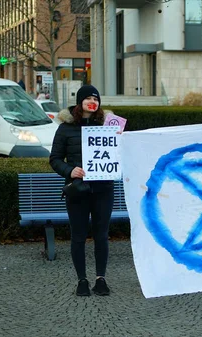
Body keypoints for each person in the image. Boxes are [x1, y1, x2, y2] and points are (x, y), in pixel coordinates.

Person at [49, 85, 115, 296]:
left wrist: (120, 138)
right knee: (78, 236)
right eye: (87, 98)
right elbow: (55, 159)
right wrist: (70, 170)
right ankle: (82, 280)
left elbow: (120, 153)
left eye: (95, 98)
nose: (92, 102)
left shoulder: (108, 126)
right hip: (78, 190)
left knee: (102, 235)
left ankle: (101, 278)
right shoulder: (65, 128)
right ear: (79, 102)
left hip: (103, 189)